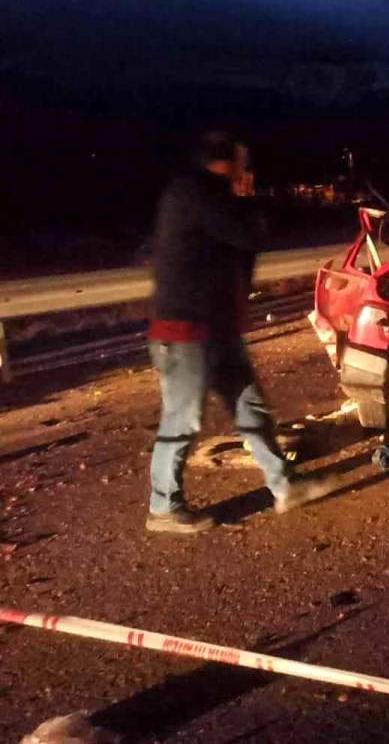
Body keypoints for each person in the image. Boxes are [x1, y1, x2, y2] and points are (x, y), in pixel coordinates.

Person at [145, 132, 332, 533]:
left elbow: (245, 252)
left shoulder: (210, 197)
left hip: (216, 330)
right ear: (226, 163)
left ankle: (284, 486)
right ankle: (163, 508)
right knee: (182, 421)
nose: (247, 171)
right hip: (183, 332)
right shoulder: (194, 194)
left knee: (251, 408)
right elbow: (251, 235)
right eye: (243, 163)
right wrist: (246, 202)